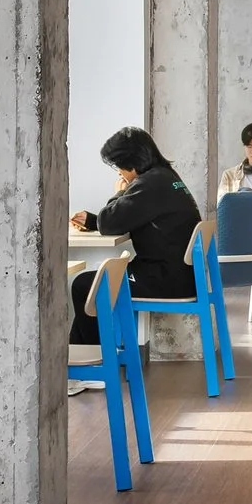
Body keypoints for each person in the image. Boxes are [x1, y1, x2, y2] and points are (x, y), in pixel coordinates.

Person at [70, 126, 202, 352]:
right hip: (180, 274)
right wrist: (94, 221)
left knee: (85, 285)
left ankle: (96, 360)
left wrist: (120, 192)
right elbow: (131, 217)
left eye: (119, 166)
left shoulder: (148, 184)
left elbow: (111, 223)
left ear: (132, 163)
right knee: (90, 284)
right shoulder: (166, 176)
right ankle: (76, 360)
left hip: (164, 279)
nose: (119, 173)